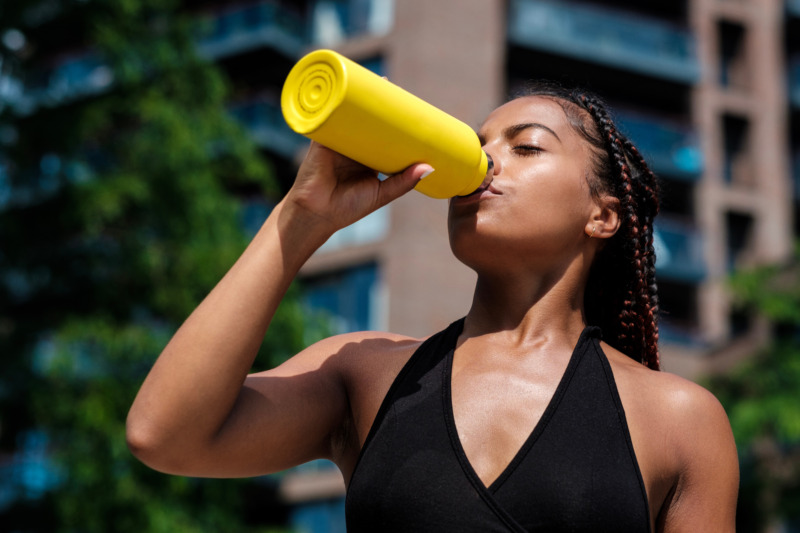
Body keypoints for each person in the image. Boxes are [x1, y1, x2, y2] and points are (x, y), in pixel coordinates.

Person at [126, 83, 739, 532]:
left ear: (602, 215)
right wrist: (301, 220)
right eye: (475, 146)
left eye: (525, 147)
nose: (484, 162)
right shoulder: (366, 373)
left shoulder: (677, 419)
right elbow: (165, 435)